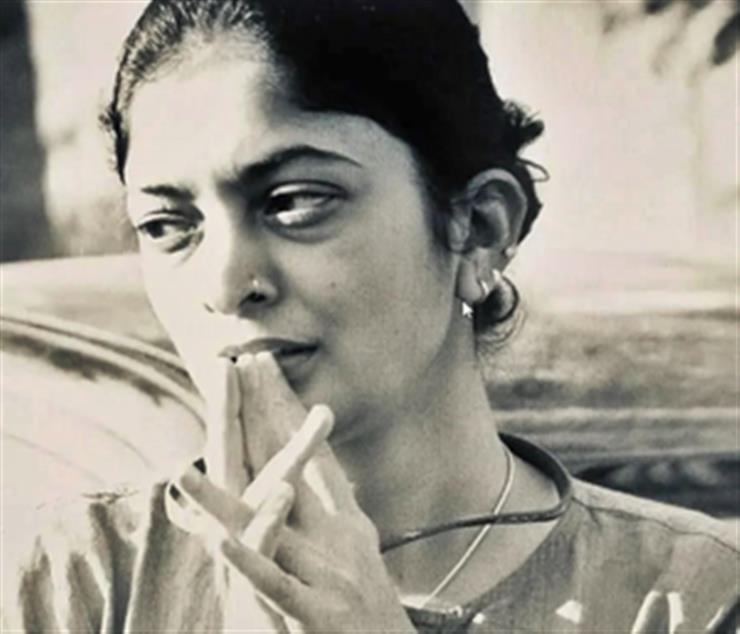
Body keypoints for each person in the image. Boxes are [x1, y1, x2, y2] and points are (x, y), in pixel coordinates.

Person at [3, 0, 737, 631]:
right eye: (167, 225)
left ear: (480, 227)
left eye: (295, 201)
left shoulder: (695, 598)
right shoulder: (77, 582)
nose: (224, 285)